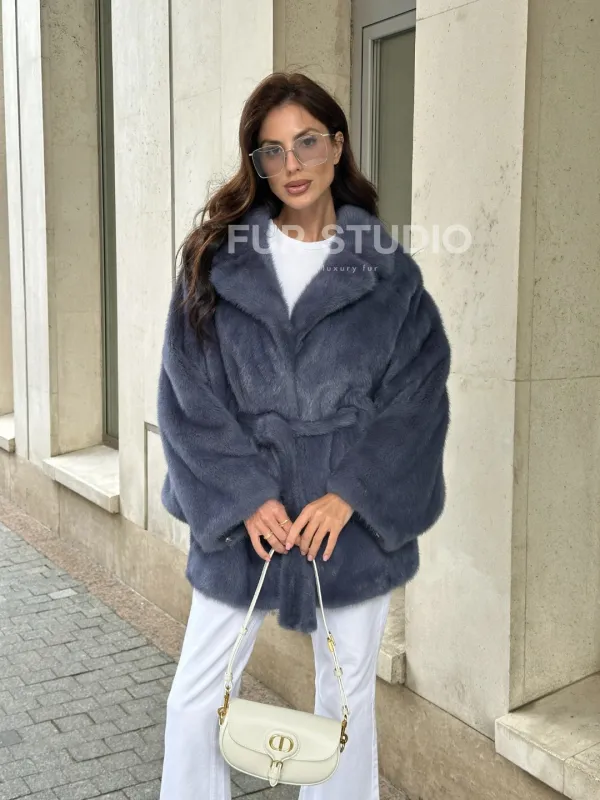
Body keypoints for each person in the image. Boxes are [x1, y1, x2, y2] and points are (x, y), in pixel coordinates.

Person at [157, 71, 451, 800]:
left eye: (308, 142)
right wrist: (244, 497)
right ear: (256, 161)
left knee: (344, 704)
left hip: (344, 521)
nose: (292, 164)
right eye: (273, 150)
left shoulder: (388, 273)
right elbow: (188, 393)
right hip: (244, 519)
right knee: (196, 699)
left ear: (337, 146)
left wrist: (351, 494)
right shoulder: (215, 262)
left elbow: (416, 397)